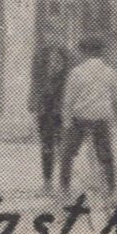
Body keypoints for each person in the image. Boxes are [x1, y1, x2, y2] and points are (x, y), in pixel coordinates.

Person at [57, 35, 117, 196]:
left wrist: (66, 122)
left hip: (80, 118)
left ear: (84, 52)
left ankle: (64, 188)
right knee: (105, 155)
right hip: (101, 118)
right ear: (101, 52)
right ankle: (110, 188)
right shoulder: (109, 72)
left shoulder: (76, 73)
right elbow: (116, 99)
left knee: (68, 154)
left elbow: (68, 100)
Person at [29, 41, 72, 190]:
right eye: (52, 61)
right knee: (46, 146)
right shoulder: (40, 59)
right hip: (45, 110)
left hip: (62, 111)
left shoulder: (68, 62)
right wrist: (33, 102)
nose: (54, 65)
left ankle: (63, 182)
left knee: (63, 146)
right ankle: (47, 181)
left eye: (58, 61)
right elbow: (34, 83)